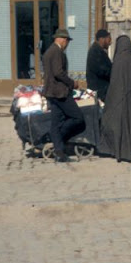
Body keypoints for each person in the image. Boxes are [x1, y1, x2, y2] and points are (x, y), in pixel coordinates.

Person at [98, 35, 131, 162]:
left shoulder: (119, 59)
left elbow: (115, 82)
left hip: (121, 96)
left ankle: (121, 149)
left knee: (119, 121)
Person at [42, 28, 85, 163]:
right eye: (67, 41)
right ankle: (58, 138)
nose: (67, 44)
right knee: (78, 117)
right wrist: (72, 83)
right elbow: (58, 72)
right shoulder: (57, 52)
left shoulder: (49, 51)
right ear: (63, 40)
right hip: (59, 93)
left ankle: (59, 152)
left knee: (56, 123)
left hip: (51, 92)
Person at [86, 29, 113, 102]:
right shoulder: (95, 51)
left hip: (102, 90)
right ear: (102, 39)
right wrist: (113, 73)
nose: (110, 42)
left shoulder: (100, 51)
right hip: (98, 91)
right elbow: (102, 70)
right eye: (109, 39)